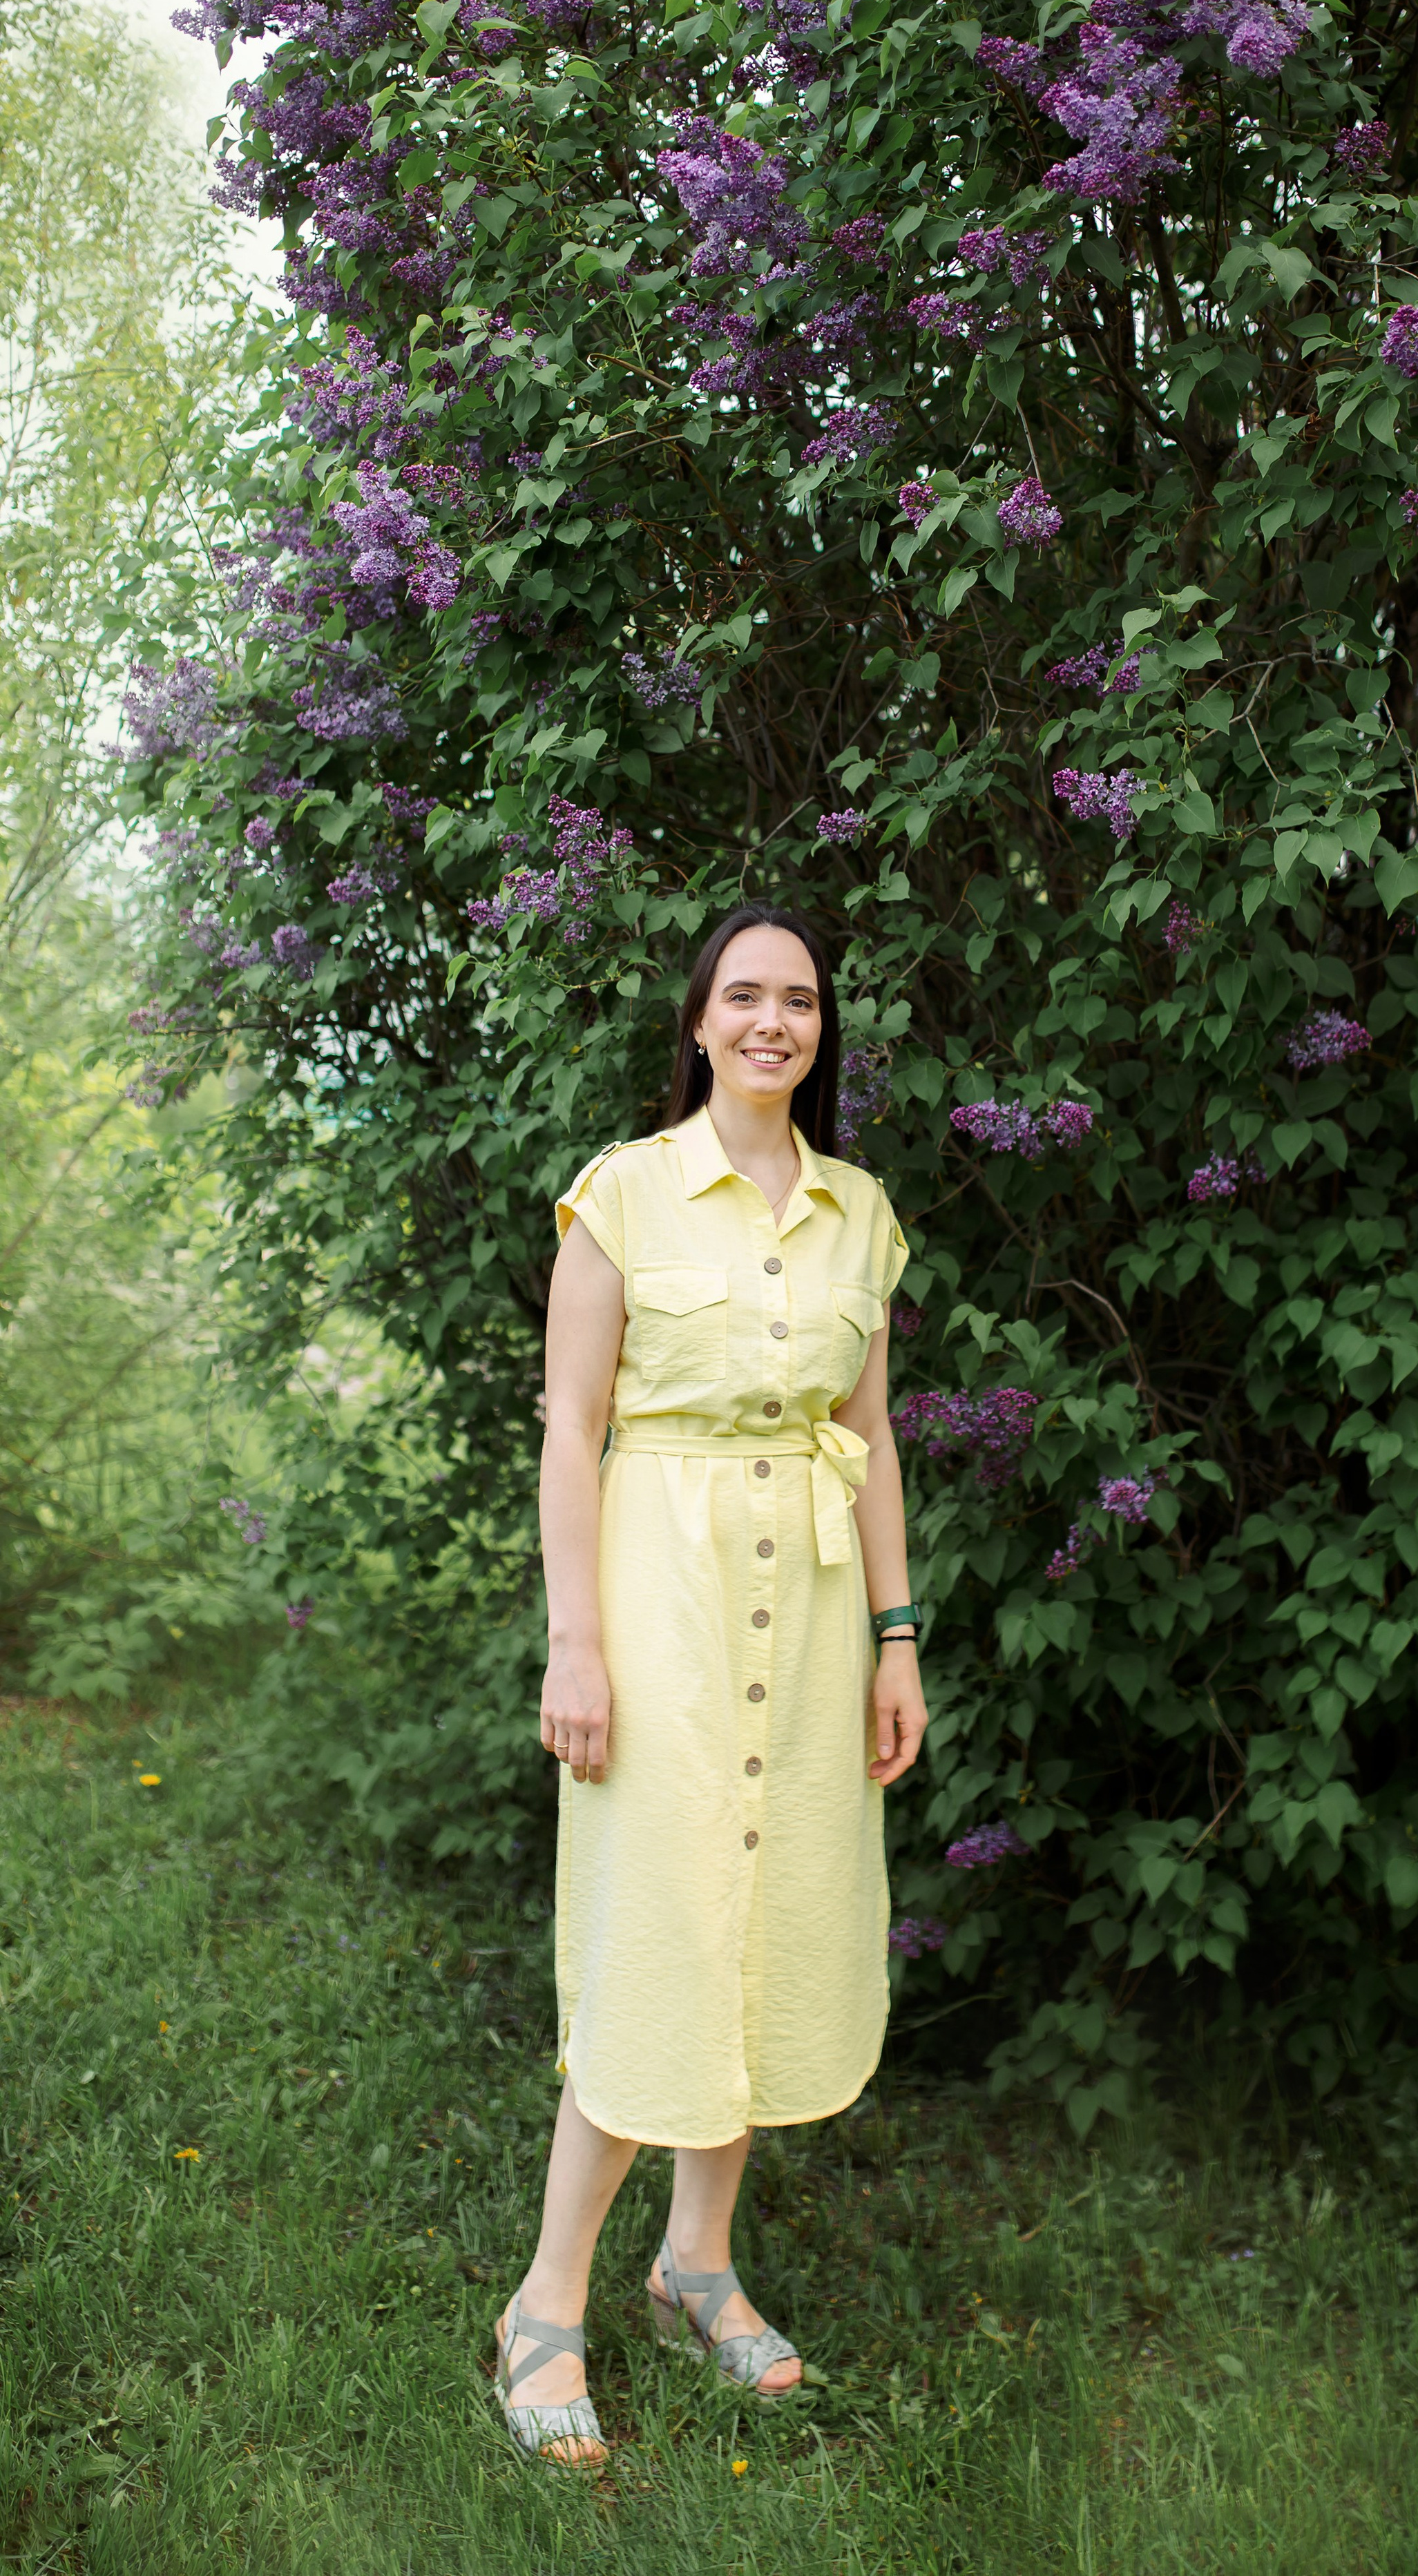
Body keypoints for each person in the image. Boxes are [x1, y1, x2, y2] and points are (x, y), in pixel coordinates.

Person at [492, 901, 928, 2466]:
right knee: (659, 1939)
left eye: (797, 1000)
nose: (770, 1022)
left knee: (765, 1928)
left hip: (809, 1619)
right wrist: (578, 1640)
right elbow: (570, 1429)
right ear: (698, 1021)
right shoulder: (621, 1194)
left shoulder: (860, 1214)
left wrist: (896, 1636)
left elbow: (866, 1436)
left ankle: (695, 2264)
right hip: (661, 1608)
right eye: (743, 995)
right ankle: (544, 2304)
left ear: (820, 1030)